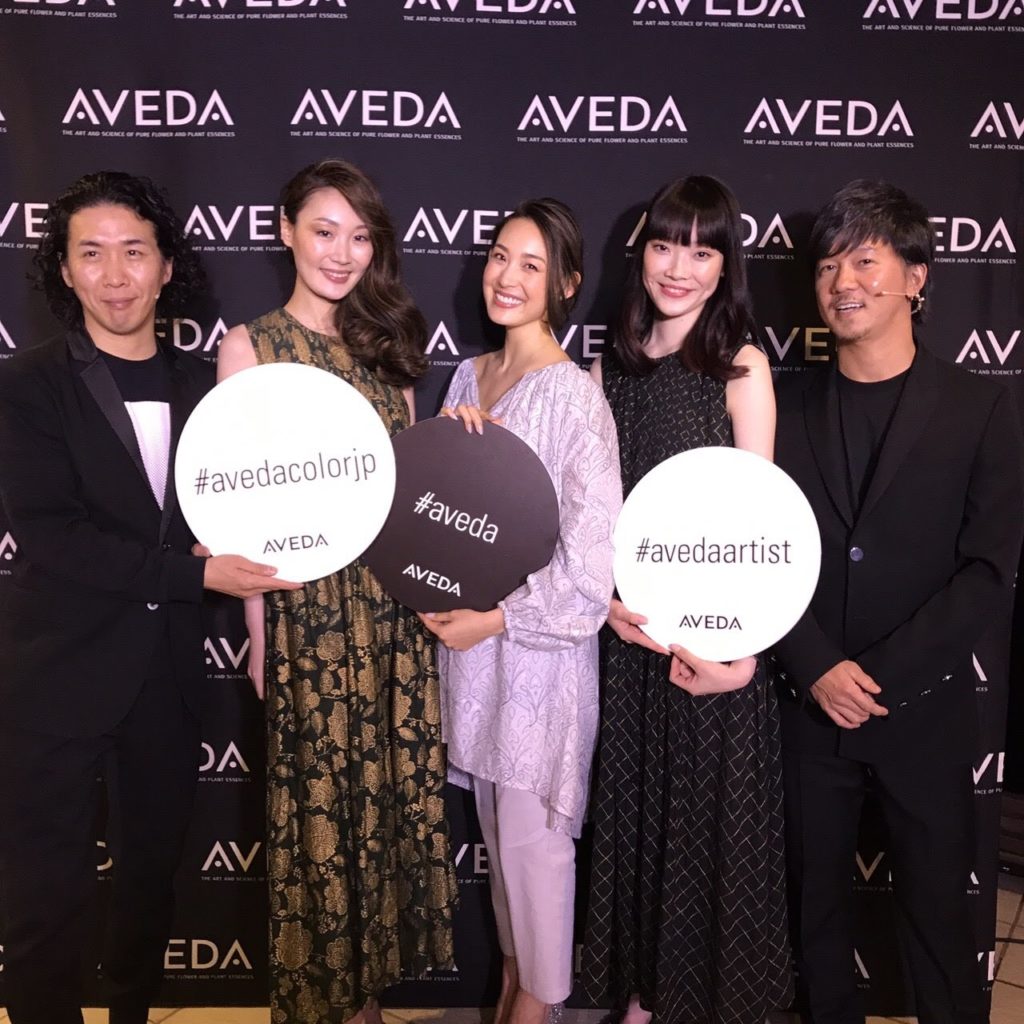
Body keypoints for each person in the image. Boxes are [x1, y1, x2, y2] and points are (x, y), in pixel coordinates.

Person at [0, 171, 295, 1024]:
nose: (115, 274)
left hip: (166, 681)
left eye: (134, 252)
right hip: (54, 675)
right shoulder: (27, 384)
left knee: (150, 878)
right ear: (65, 270)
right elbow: (55, 538)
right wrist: (194, 576)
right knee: (44, 887)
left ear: (167, 268)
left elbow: (269, 498)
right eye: (91, 254)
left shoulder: (210, 389)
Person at [771, 179, 1024, 1024]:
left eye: (864, 262)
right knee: (814, 921)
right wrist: (816, 666)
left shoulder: (980, 405)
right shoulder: (783, 404)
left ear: (915, 277)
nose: (842, 281)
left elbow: (988, 570)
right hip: (809, 711)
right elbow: (757, 550)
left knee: (942, 925)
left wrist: (880, 677)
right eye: (827, 265)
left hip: (924, 712)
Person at [217, 158, 457, 1024]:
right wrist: (259, 633)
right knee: (321, 809)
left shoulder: (390, 353)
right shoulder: (249, 347)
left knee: (384, 805)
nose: (342, 253)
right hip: (307, 615)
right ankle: (330, 1002)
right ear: (286, 231)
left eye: (359, 237)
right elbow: (239, 508)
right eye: (324, 231)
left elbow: (413, 495)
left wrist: (462, 439)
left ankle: (370, 1002)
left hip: (391, 616)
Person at [580, 175, 791, 1024]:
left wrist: (743, 659)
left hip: (714, 652)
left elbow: (762, 530)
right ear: (642, 253)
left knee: (706, 833)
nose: (679, 268)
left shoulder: (741, 367)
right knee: (639, 828)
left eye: (703, 252)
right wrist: (601, 604)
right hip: (630, 648)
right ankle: (641, 998)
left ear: (725, 265)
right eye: (667, 246)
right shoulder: (608, 370)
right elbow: (587, 519)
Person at [424, 198, 620, 1024]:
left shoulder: (576, 398)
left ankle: (537, 1005)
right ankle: (511, 984)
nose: (506, 276)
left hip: (537, 663)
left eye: (531, 265)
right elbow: (437, 511)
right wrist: (449, 447)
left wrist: (495, 621)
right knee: (502, 852)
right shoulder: (467, 376)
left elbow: (590, 571)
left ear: (566, 284)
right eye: (500, 256)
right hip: (474, 664)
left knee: (536, 855)